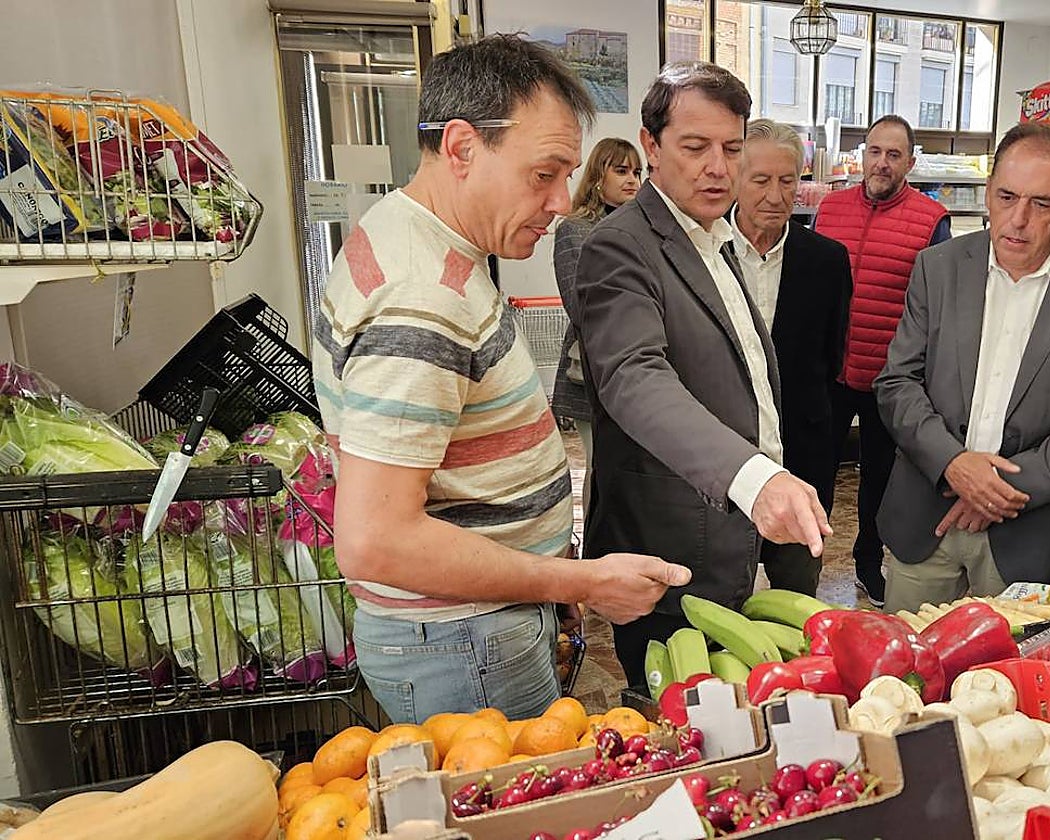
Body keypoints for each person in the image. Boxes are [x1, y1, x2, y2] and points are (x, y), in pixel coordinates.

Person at [311, 35, 691, 724]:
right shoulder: (421, 296)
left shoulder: (416, 234)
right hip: (464, 639)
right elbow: (375, 537)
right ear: (460, 148)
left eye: (567, 174)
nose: (557, 202)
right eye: (542, 174)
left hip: (470, 626)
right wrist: (574, 579)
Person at [575, 62, 831, 681]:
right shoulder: (620, 245)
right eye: (696, 147)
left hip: (754, 526)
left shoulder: (715, 237)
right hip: (674, 545)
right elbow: (635, 378)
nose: (719, 167)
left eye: (731, 148)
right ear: (651, 145)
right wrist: (751, 478)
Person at [874, 122, 1050, 614]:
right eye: (1006, 196)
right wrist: (954, 464)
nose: (1017, 219)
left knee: (1003, 680)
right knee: (903, 674)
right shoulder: (939, 267)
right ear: (990, 190)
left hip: (1026, 535)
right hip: (924, 521)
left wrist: (998, 489)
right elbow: (897, 382)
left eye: (1041, 204)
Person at [813, 115, 950, 606]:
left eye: (894, 154)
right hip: (829, 372)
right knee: (813, 472)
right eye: (875, 151)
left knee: (879, 481)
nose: (882, 162)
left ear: (910, 162)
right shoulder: (830, 209)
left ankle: (869, 565)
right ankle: (801, 566)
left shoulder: (932, 219)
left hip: (891, 381)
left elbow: (939, 307)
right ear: (862, 155)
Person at [731, 118, 851, 595]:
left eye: (789, 181)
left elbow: (831, 356)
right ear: (736, 178)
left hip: (801, 453)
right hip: (722, 455)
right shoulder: (704, 253)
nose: (776, 195)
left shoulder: (826, 261)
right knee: (719, 592)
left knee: (796, 591)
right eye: (761, 180)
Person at [551, 138, 643, 516]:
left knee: (632, 472)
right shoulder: (575, 228)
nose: (632, 180)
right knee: (600, 467)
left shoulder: (643, 228)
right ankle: (596, 555)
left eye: (638, 172)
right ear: (596, 176)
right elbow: (581, 306)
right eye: (621, 171)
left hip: (637, 368)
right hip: (590, 372)